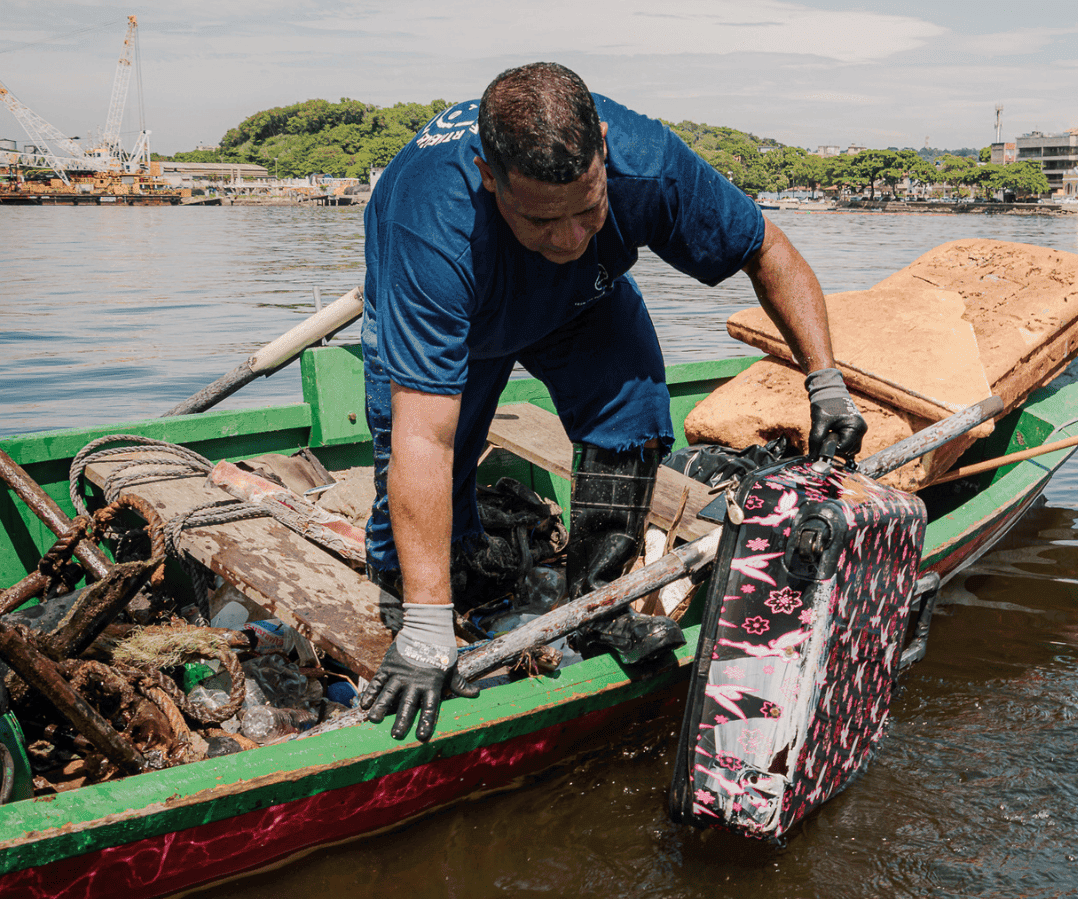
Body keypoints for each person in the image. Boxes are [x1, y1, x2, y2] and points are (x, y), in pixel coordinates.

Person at [356, 62, 867, 741]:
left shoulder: (647, 161)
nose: (569, 238)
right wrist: (424, 628)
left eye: (589, 208)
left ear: (602, 143)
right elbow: (426, 438)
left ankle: (596, 605)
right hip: (467, 311)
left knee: (631, 404)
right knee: (420, 511)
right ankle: (419, 606)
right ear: (488, 175)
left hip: (583, 302)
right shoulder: (431, 222)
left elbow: (766, 251)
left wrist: (824, 381)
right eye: (542, 218)